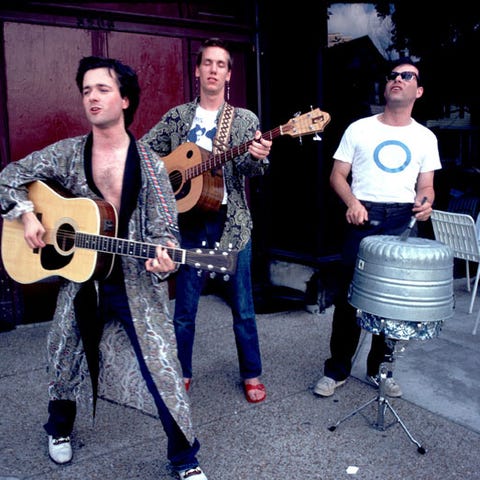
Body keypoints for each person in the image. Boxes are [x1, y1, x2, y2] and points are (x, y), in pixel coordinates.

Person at [0, 56, 208, 480]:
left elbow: (166, 229)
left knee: (162, 366)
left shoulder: (151, 164)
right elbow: (9, 175)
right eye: (86, 91)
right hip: (81, 279)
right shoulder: (69, 153)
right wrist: (26, 213)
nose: (92, 98)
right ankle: (58, 429)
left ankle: (185, 460)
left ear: (125, 99)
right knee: (62, 354)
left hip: (135, 281)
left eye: (103, 89)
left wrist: (165, 256)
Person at [141, 38, 272, 403]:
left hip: (231, 222)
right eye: (208, 63)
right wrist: (168, 180)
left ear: (229, 74)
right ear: (197, 70)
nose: (213, 70)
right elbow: (145, 153)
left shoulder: (244, 120)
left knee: (243, 307)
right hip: (188, 224)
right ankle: (182, 370)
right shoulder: (178, 117)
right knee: (184, 309)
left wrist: (258, 156)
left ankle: (251, 373)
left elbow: (250, 169)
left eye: (221, 64)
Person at [313, 58, 441, 399]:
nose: (397, 79)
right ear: (386, 86)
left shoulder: (425, 137)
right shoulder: (359, 129)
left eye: (407, 76)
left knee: (392, 302)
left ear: (419, 90)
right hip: (363, 214)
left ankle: (379, 371)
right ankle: (337, 370)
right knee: (348, 298)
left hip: (403, 218)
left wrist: (425, 203)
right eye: (392, 76)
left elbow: (426, 185)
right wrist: (352, 203)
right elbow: (336, 175)